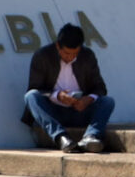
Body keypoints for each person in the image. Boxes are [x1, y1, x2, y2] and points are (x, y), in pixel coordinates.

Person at [24, 22, 115, 153]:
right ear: (58, 46)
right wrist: (57, 95)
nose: (70, 57)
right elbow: (35, 87)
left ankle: (91, 137)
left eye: (75, 54)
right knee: (31, 96)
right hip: (54, 112)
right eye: (66, 53)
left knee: (108, 101)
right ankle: (61, 138)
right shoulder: (42, 56)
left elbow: (100, 87)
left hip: (79, 111)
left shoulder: (87, 56)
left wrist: (87, 99)